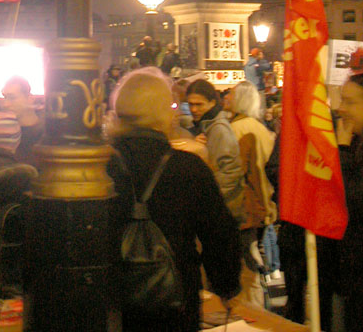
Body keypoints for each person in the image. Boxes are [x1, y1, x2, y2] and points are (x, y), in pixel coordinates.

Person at [106, 69, 241, 332]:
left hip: (111, 305)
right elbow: (220, 235)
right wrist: (226, 287)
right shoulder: (189, 168)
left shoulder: (96, 167)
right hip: (174, 306)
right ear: (162, 113)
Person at [337, 71, 363, 332]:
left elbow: (352, 199)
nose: (342, 109)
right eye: (342, 100)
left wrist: (341, 150)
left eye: (350, 102)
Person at [228, 81, 278, 304]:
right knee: (259, 254)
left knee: (249, 263)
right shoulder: (261, 129)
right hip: (265, 202)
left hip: (247, 206)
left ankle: (256, 306)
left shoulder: (235, 129)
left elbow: (250, 173)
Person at [186, 79, 245, 225]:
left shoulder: (218, 129)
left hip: (223, 213)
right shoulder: (208, 126)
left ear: (212, 102)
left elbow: (231, 171)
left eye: (199, 104)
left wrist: (209, 198)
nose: (194, 109)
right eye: (190, 104)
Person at [1, 76, 44, 167]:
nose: (5, 104)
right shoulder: (2, 132)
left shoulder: (46, 134)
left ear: (30, 99)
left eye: (12, 98)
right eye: (5, 97)